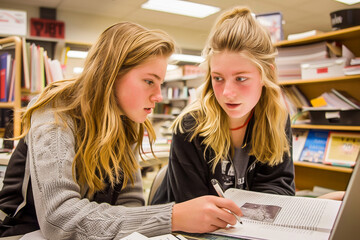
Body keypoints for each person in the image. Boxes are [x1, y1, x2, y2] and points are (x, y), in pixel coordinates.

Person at [0, 22, 242, 238]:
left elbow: (130, 204)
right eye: (149, 81)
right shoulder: (55, 113)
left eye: (160, 83)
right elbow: (59, 219)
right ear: (111, 75)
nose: (158, 95)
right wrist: (172, 217)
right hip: (24, 232)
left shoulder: (126, 122)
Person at [151, 6, 295, 205]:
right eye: (218, 78)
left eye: (241, 78)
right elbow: (193, 208)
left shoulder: (277, 118)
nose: (227, 92)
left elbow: (278, 186)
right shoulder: (190, 126)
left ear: (265, 75)